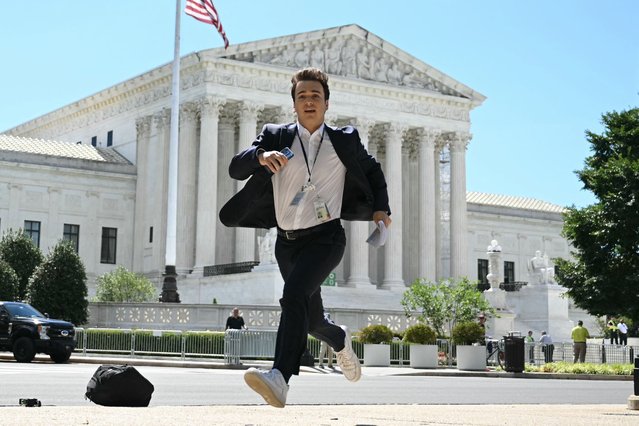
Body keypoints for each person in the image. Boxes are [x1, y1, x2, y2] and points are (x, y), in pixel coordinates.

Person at [219, 67, 391, 408]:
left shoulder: (344, 140)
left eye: (315, 96)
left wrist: (381, 209)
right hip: (286, 242)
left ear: (326, 103)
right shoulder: (275, 136)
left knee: (293, 294)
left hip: (326, 238)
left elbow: (372, 169)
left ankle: (279, 377)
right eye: (302, 96)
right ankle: (339, 339)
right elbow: (235, 169)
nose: (309, 101)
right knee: (310, 319)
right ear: (294, 104)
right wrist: (260, 157)